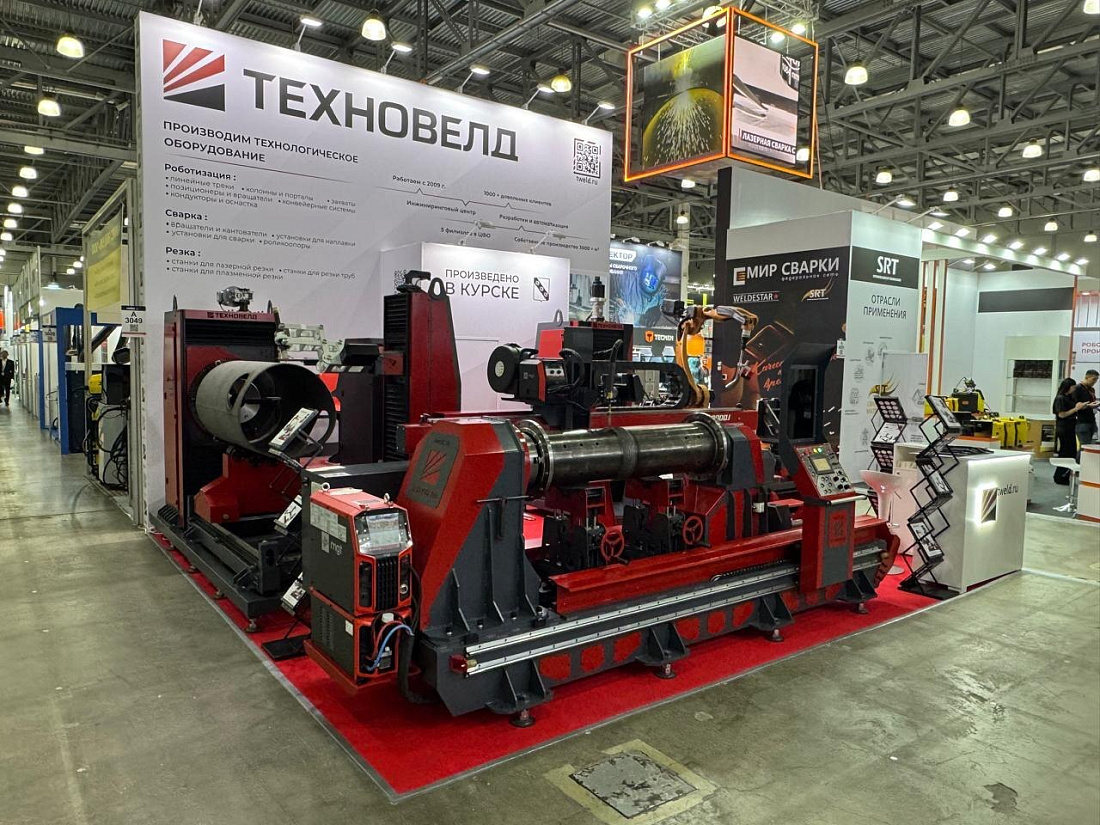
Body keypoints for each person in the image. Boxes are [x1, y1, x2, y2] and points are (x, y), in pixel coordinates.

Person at [1052, 378, 1083, 484]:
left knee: (1071, 452)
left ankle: (1065, 475)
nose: (1074, 389)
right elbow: (1062, 414)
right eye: (1073, 387)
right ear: (1067, 387)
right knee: (1065, 452)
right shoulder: (1060, 398)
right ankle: (1059, 476)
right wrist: (1076, 409)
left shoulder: (1068, 397)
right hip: (1064, 428)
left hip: (1070, 427)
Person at [1071, 369, 1099, 454]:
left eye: (1097, 380)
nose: (1095, 382)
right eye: (1093, 379)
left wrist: (1095, 404)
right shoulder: (1078, 388)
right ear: (1087, 377)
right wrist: (1088, 406)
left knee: (1092, 446)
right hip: (1082, 422)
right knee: (1084, 447)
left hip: (1091, 420)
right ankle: (1079, 461)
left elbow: (1091, 402)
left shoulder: (1091, 390)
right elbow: (1074, 405)